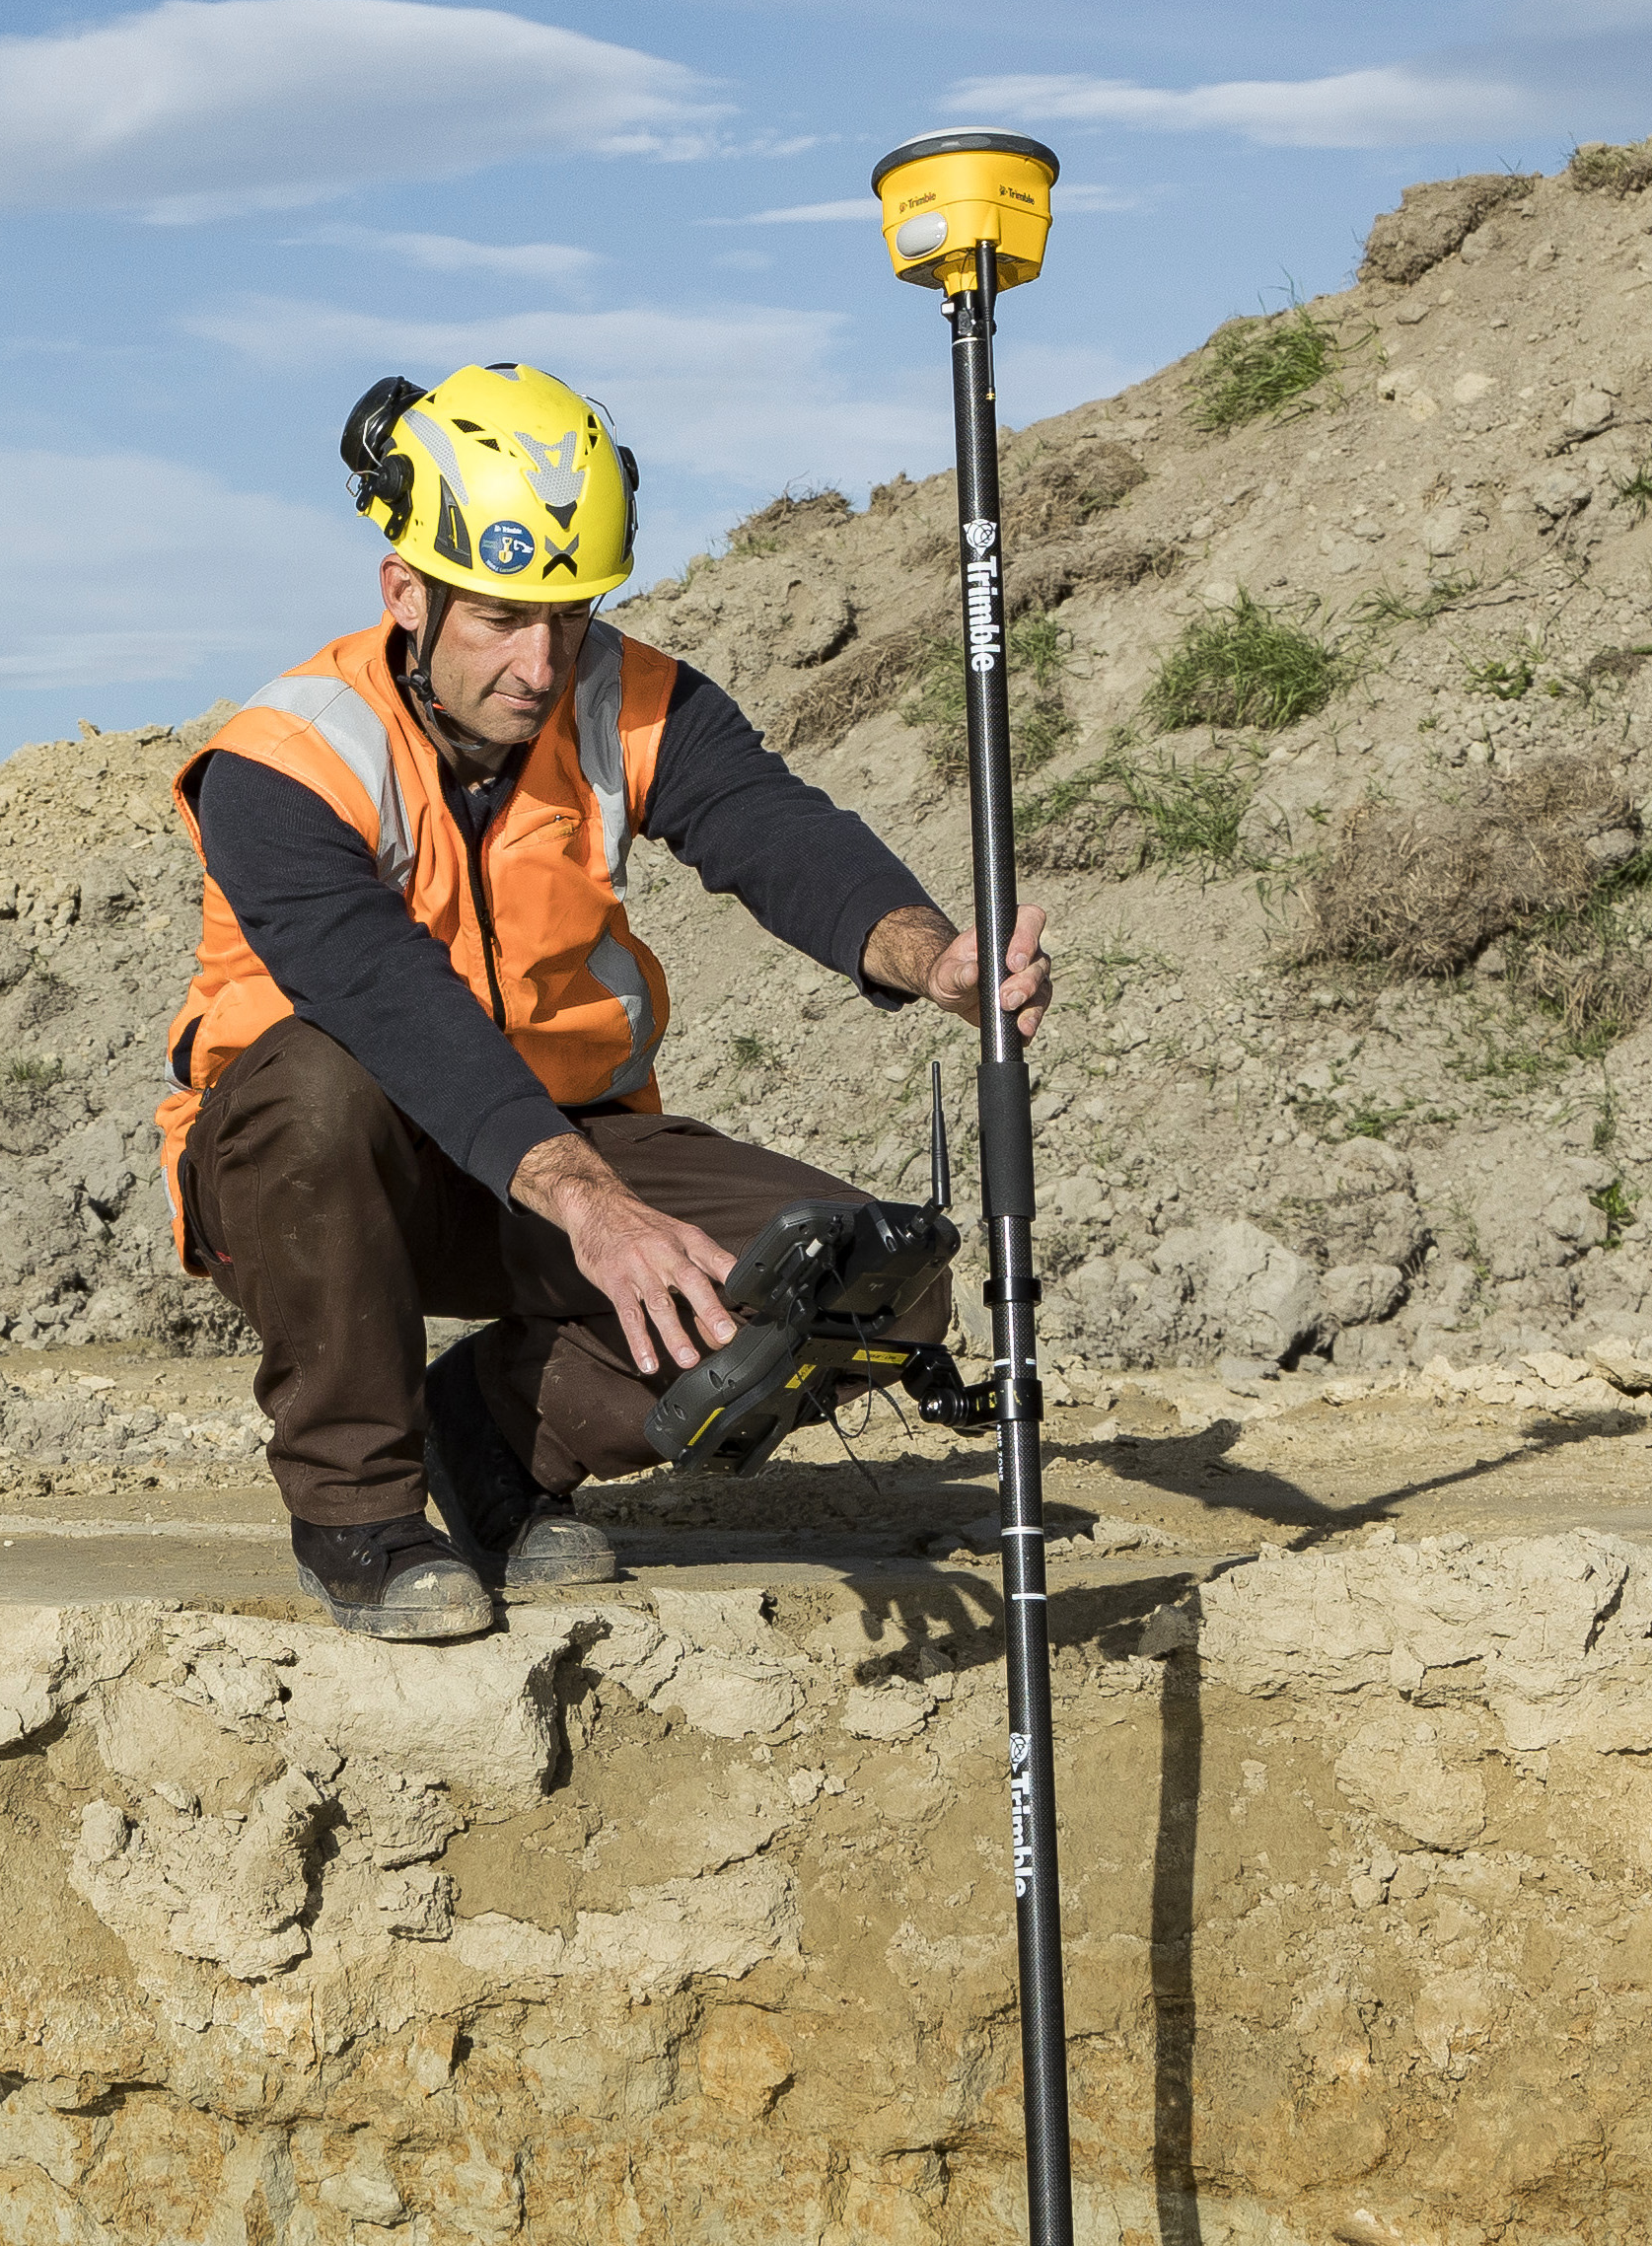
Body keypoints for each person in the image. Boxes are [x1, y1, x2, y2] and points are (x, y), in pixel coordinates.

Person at [155, 360, 1051, 1640]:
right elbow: (388, 999)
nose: (540, 661)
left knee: (873, 1282)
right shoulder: (281, 762)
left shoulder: (625, 698)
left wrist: (930, 957)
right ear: (403, 592)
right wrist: (594, 1207)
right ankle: (359, 1510)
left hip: (555, 1134)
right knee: (319, 1080)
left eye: (567, 617)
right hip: (318, 1173)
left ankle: (501, 1434)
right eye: (501, 619)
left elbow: (768, 831)